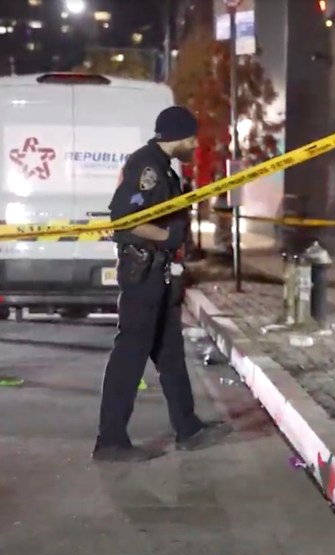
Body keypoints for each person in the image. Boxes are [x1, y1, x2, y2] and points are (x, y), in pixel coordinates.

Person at [93, 106, 224, 462]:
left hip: (160, 273)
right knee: (130, 357)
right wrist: (167, 236)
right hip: (143, 274)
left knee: (170, 354)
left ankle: (188, 428)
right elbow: (124, 219)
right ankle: (111, 441)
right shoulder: (147, 167)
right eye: (192, 137)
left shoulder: (164, 167)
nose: (195, 144)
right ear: (178, 136)